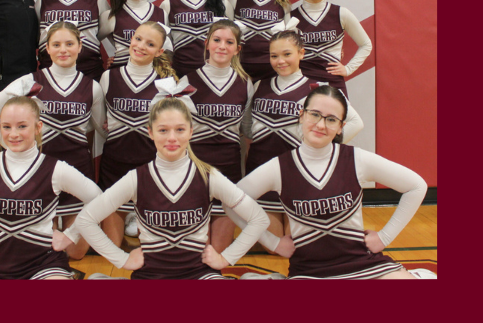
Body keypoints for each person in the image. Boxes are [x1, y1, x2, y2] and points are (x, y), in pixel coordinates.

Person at [228, 85, 428, 279]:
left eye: (331, 119)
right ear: (302, 115)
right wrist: (273, 243)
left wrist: (385, 237)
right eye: (314, 114)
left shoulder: (357, 159)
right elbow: (232, 203)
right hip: (310, 272)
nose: (321, 125)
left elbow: (416, 186)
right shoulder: (279, 168)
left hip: (363, 264)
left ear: (341, 127)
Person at [75, 96, 269, 279]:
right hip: (150, 276)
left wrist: (225, 258)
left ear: (191, 131)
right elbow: (85, 220)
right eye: (163, 130)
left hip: (200, 274)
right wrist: (122, 259)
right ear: (150, 132)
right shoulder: (136, 178)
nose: (172, 138)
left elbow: (258, 218)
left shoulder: (209, 177)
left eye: (180, 129)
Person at [0, 22, 106, 258]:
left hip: (77, 169)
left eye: (69, 44)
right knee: (37, 252)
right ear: (46, 48)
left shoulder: (93, 88)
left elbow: (101, 129)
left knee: (76, 253)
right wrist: (12, 146)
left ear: (81, 46)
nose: (63, 50)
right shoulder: (30, 82)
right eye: (56, 44)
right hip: (38, 172)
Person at [0, 96, 105, 279]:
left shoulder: (55, 169)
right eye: (6, 126)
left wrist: (70, 236)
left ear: (38, 127)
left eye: (22, 126)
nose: (13, 134)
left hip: (45, 267)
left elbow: (99, 199)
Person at [245, 30, 364, 242]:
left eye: (287, 54)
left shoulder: (317, 89)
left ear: (301, 53)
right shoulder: (258, 86)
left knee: (296, 244)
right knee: (276, 244)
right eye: (274, 56)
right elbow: (245, 125)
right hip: (262, 171)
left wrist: (318, 149)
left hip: (297, 176)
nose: (280, 61)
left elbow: (356, 123)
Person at [98, 21, 179, 243]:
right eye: (138, 38)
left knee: (152, 247)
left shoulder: (167, 84)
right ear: (131, 39)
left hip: (150, 166)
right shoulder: (109, 77)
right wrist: (115, 129)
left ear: (160, 51)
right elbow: (99, 121)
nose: (141, 46)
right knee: (111, 245)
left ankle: (138, 212)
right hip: (115, 162)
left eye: (150, 44)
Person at [182, 20, 252, 253]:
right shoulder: (187, 81)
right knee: (194, 251)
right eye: (217, 40)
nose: (222, 46)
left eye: (229, 42)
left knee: (218, 252)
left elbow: (247, 129)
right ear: (207, 44)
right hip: (195, 165)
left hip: (229, 166)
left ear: (237, 49)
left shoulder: (245, 83)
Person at [291, 0, 372, 96]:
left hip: (333, 82)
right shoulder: (291, 17)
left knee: (337, 118)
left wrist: (348, 69)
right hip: (301, 82)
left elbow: (365, 44)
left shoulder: (341, 13)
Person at [36, 0, 108, 81]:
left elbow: (115, 37)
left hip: (89, 76)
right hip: (49, 77)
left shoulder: (98, 0)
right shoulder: (43, 2)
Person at [160, 0, 228, 76]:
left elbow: (231, 39)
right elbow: (164, 48)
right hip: (179, 75)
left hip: (212, 75)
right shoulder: (168, 5)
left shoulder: (222, 3)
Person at [227, 0, 291, 82]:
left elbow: (288, 41)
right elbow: (225, 32)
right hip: (240, 68)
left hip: (271, 70)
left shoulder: (282, 1)